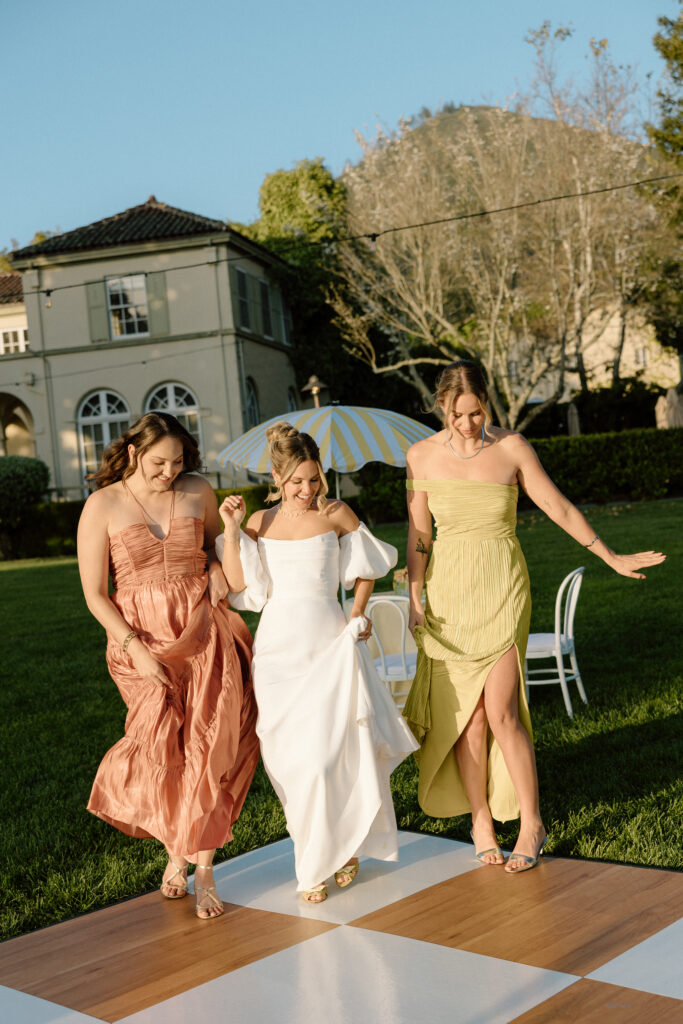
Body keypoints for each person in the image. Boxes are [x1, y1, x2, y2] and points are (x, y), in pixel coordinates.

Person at [404, 361, 665, 873]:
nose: (469, 423)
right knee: (469, 719)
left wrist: (610, 555)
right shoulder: (419, 457)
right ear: (442, 407)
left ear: (487, 403)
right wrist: (415, 597)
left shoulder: (513, 448)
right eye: (458, 415)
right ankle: (480, 820)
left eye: (477, 412)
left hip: (502, 584)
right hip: (449, 592)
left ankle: (531, 822)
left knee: (501, 710)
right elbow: (419, 537)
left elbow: (559, 508)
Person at [218, 423, 418, 903]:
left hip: (328, 642)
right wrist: (229, 527)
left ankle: (328, 857)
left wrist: (356, 613)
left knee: (331, 756)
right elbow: (238, 581)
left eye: (313, 479)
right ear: (277, 477)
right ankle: (319, 846)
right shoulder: (258, 523)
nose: (307, 491)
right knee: (291, 761)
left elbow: (368, 565)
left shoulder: (336, 513)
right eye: (297, 482)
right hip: (279, 651)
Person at [78, 412, 259, 919]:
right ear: (134, 452)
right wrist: (135, 648)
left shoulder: (197, 490)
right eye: (159, 462)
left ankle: (202, 870)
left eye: (178, 461)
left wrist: (219, 566)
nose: (169, 472)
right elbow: (95, 595)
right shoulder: (103, 505)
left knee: (211, 747)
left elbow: (209, 547)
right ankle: (174, 851)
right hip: (142, 644)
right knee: (167, 749)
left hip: (203, 632)